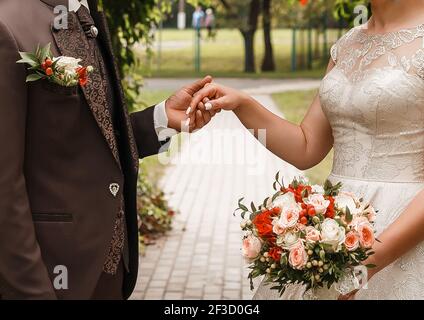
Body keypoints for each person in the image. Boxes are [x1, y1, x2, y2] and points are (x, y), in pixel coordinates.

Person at [190, 0, 424, 300]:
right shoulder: (349, 44)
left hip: (405, 234)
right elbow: (307, 146)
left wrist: (367, 262)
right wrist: (243, 104)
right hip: (335, 232)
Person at [0, 0, 215, 299]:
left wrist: (162, 118)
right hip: (50, 277)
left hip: (111, 272)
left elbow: (91, 136)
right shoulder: (7, 24)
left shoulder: (86, 13)